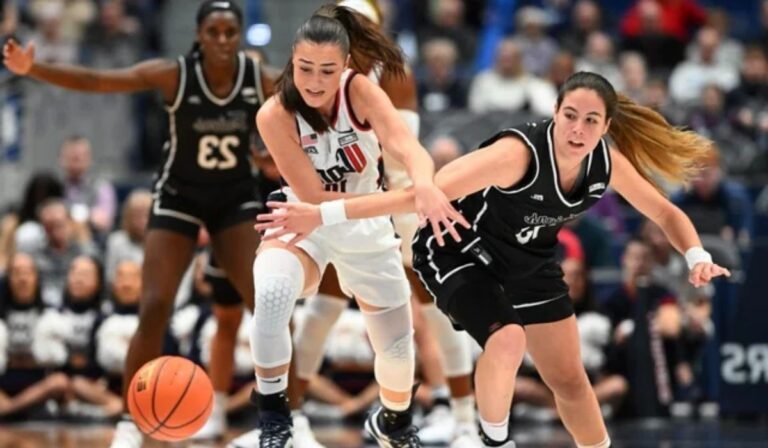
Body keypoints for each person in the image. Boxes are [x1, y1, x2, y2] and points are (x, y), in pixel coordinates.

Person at [255, 71, 731, 448]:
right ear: (555, 113)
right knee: (505, 341)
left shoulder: (604, 162)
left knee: (569, 379)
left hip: (528, 258)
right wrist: (322, 212)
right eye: (570, 115)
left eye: (591, 121)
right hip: (455, 245)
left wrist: (695, 254)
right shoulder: (517, 155)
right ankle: (490, 440)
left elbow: (666, 211)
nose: (578, 129)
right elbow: (416, 195)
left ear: (606, 127)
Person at [3, 1, 271, 446]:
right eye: (214, 31)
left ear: (239, 36)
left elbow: (306, 102)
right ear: (200, 35)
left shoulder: (258, 78)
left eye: (230, 32)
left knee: (267, 309)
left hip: (234, 200)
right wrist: (36, 69)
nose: (223, 40)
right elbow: (100, 80)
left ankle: (282, 420)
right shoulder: (175, 74)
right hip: (179, 199)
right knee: (154, 307)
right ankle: (130, 421)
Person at [246, 4, 465, 448]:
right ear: (293, 58)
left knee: (398, 355)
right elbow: (310, 199)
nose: (314, 81)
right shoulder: (274, 113)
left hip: (365, 226)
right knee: (270, 293)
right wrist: (402, 198)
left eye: (327, 70)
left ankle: (395, 421)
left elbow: (408, 148)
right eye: (305, 67)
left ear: (345, 65)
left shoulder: (361, 90)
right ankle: (275, 418)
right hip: (306, 219)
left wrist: (423, 183)